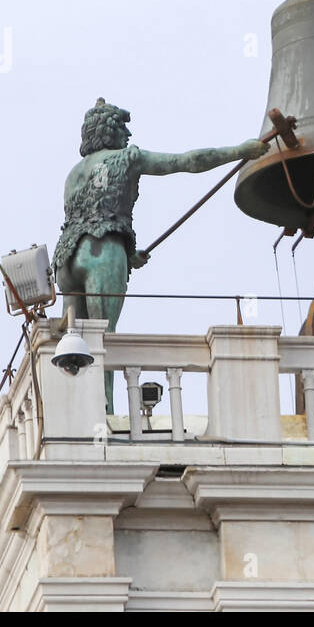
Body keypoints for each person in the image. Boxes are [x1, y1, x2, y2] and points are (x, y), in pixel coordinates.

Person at [54, 98, 267, 411]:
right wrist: (239, 152)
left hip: (67, 260)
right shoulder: (128, 157)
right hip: (104, 251)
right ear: (109, 131)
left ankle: (72, 415)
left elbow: (88, 217)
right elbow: (187, 162)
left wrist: (127, 254)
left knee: (72, 342)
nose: (127, 133)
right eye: (122, 126)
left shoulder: (73, 174)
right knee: (102, 341)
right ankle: (105, 411)